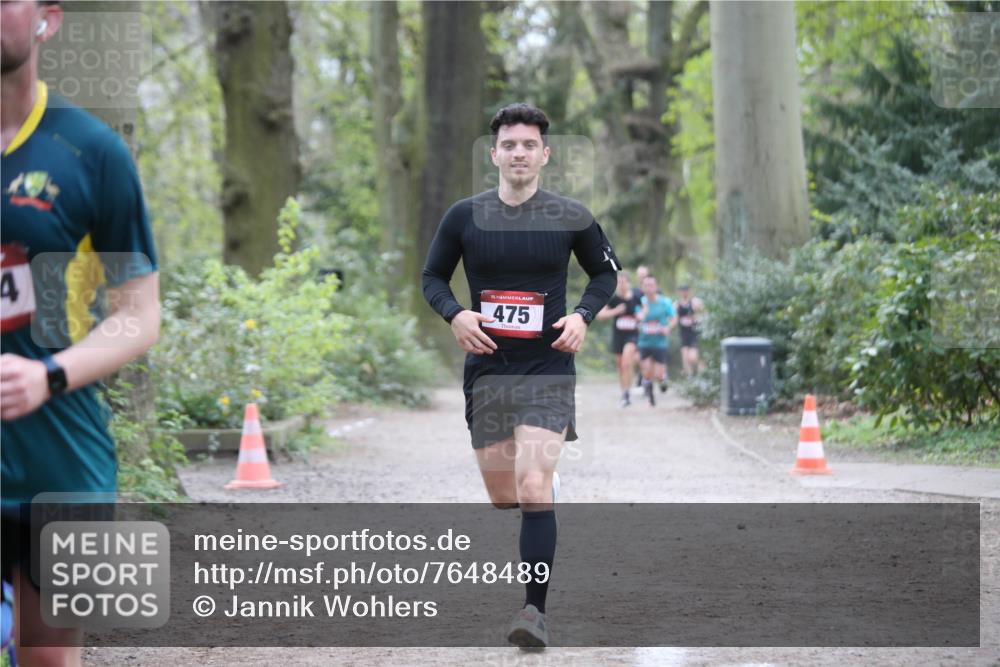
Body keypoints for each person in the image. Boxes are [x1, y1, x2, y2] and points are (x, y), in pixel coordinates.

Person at [422, 102, 618, 648]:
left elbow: (605, 274)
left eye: (529, 144)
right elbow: (432, 276)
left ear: (545, 154)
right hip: (489, 370)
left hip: (548, 367)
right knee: (504, 495)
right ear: (495, 154)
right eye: (509, 145)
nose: (519, 153)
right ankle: (540, 479)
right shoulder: (465, 216)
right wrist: (456, 313)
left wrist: (582, 316)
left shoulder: (571, 216)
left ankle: (534, 612)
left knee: (533, 489)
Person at [1, 2, 160, 665]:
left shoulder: (93, 151)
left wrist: (49, 374)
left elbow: (138, 314)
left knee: (48, 660)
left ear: (47, 20)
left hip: (64, 463)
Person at [596, 272, 640, 407]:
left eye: (623, 282)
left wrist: (642, 315)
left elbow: (646, 310)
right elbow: (600, 315)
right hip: (618, 336)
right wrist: (616, 311)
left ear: (629, 283)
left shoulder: (637, 297)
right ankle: (624, 393)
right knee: (621, 366)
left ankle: (627, 392)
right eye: (619, 282)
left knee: (627, 363)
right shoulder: (614, 299)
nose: (621, 285)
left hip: (632, 336)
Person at [636, 275, 676, 406]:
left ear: (656, 286)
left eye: (651, 285)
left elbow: (674, 318)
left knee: (658, 374)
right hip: (644, 342)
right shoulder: (640, 302)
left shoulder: (665, 302)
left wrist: (668, 328)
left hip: (660, 342)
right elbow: (637, 318)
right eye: (646, 285)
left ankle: (663, 380)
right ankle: (650, 397)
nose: (649, 288)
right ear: (642, 287)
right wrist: (642, 315)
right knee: (646, 371)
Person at [676, 285, 704, 377]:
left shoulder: (696, 302)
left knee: (692, 357)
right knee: (685, 357)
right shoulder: (677, 304)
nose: (685, 293)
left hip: (694, 333)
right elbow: (672, 317)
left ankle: (702, 369)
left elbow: (704, 314)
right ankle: (690, 377)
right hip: (683, 333)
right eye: (682, 291)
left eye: (686, 291)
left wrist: (697, 315)